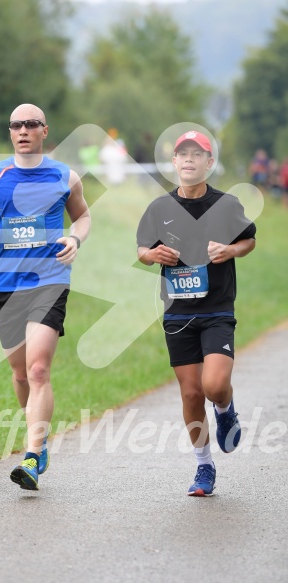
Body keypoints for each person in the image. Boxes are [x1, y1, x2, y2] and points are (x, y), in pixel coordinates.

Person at [0, 103, 91, 491]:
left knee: (37, 370)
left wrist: (74, 237)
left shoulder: (65, 176)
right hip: (4, 285)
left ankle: (31, 456)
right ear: (10, 131)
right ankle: (41, 437)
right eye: (16, 125)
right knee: (19, 374)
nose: (23, 130)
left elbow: (83, 216)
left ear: (44, 131)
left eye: (31, 124)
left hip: (49, 281)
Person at [136, 130, 256, 497]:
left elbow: (249, 239)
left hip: (217, 308)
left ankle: (225, 408)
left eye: (196, 154)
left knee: (213, 385)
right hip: (177, 312)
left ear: (209, 163)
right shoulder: (159, 208)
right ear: (173, 163)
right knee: (190, 394)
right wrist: (153, 255)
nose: (188, 160)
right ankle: (204, 466)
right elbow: (143, 248)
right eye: (181, 154)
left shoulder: (227, 204)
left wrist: (230, 251)